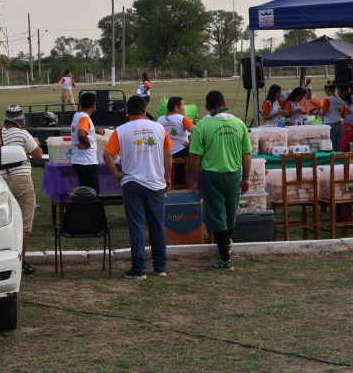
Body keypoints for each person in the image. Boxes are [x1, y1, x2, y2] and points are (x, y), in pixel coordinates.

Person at [105, 96, 173, 280]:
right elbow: (168, 154)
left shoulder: (121, 131)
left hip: (132, 183)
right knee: (157, 225)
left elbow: (107, 155)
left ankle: (139, 268)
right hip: (155, 182)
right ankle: (160, 267)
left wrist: (117, 175)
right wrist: (167, 176)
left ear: (127, 112)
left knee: (137, 226)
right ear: (145, 111)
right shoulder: (159, 128)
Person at [187, 90, 252, 272]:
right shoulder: (238, 123)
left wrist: (194, 181)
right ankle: (226, 247)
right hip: (233, 174)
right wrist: (246, 178)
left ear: (207, 107)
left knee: (216, 216)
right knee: (230, 213)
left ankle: (224, 259)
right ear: (224, 102)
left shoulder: (202, 126)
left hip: (212, 175)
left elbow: (194, 157)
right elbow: (246, 155)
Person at [0, 105, 44, 273]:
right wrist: (36, 144)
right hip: (21, 180)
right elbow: (38, 155)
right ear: (21, 120)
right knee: (25, 223)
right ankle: (21, 262)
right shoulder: (23, 134)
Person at [159, 95, 195, 184]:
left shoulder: (159, 120)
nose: (184, 108)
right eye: (182, 106)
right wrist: (191, 144)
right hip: (181, 152)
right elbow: (197, 133)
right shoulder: (183, 119)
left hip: (164, 154)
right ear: (176, 107)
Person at [70, 91, 101, 192]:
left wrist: (95, 130)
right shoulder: (84, 118)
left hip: (80, 160)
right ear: (93, 105)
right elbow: (81, 133)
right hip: (87, 162)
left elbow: (82, 128)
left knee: (85, 192)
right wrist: (87, 145)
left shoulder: (77, 115)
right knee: (92, 193)